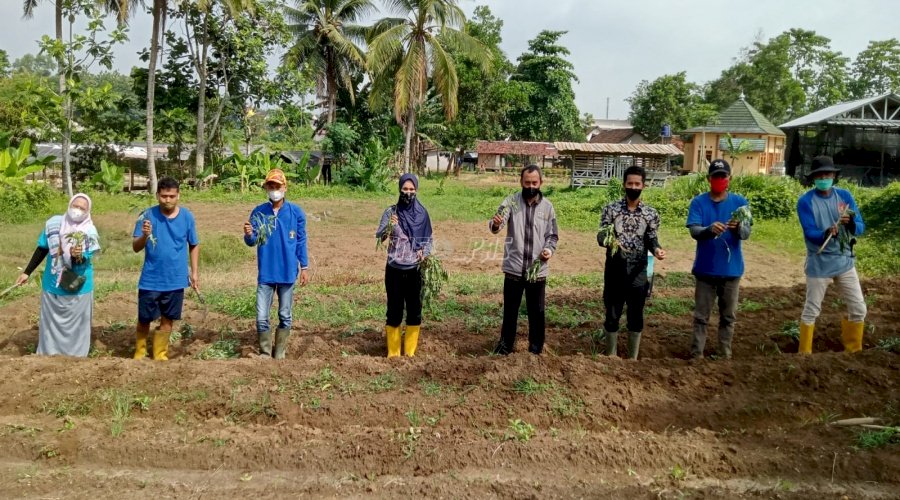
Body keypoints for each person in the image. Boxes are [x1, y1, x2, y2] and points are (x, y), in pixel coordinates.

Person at [796, 156, 866, 354]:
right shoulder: (805, 202)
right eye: (820, 175)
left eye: (827, 174)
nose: (824, 177)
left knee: (859, 309)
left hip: (845, 261)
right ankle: (804, 354)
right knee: (811, 310)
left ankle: (853, 350)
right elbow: (809, 231)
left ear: (834, 176)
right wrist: (825, 233)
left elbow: (860, 226)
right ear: (814, 178)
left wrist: (851, 224)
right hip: (819, 263)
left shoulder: (845, 197)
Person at [16, 193, 100, 356]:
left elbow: (85, 259)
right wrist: (27, 272)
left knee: (78, 325)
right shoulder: (54, 224)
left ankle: (77, 356)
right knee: (51, 323)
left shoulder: (89, 231)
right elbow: (42, 248)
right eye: (75, 206)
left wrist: (78, 256)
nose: (78, 210)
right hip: (53, 282)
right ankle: (48, 354)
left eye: (82, 208)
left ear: (88, 211)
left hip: (78, 285)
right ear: (69, 205)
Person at [489, 165, 559, 355]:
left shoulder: (548, 207)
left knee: (537, 313)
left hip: (537, 270)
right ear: (521, 182)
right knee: (510, 313)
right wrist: (495, 224)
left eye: (534, 182)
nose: (530, 186)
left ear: (540, 183)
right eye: (527, 182)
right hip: (514, 268)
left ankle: (536, 349)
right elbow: (497, 223)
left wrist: (548, 250)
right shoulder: (511, 202)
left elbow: (552, 236)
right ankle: (505, 347)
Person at [598, 166, 666, 359]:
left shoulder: (651, 214)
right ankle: (611, 355)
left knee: (636, 314)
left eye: (637, 184)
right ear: (624, 185)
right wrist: (609, 241)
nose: (633, 187)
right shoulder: (611, 210)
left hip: (639, 270)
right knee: (612, 313)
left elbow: (651, 239)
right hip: (615, 269)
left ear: (643, 186)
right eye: (630, 183)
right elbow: (602, 235)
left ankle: (632, 358)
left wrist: (657, 250)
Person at [686, 159, 751, 359]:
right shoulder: (698, 202)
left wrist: (738, 227)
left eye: (723, 177)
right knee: (701, 317)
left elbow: (746, 233)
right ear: (709, 179)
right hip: (705, 270)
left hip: (731, 271)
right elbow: (694, 231)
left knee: (728, 317)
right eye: (716, 177)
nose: (719, 180)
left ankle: (724, 355)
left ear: (729, 179)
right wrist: (709, 229)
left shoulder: (740, 203)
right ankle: (697, 355)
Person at [243, 168, 310, 359]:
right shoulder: (259, 212)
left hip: (288, 273)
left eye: (277, 186)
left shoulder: (296, 213)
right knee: (262, 317)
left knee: (285, 315)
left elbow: (301, 241)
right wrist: (249, 235)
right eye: (270, 186)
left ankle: (279, 353)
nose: (274, 190)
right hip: (266, 273)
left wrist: (304, 267)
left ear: (285, 188)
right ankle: (265, 353)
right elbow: (252, 240)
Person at [132, 177, 200, 361]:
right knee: (144, 318)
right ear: (157, 196)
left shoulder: (187, 217)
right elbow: (136, 247)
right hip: (151, 278)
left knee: (168, 318)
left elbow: (194, 244)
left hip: (175, 279)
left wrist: (194, 272)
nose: (167, 200)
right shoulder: (147, 216)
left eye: (171, 196)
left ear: (178, 195)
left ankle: (159, 354)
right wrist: (145, 235)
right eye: (163, 196)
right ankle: (139, 351)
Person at [376, 173, 432, 357]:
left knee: (415, 311)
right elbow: (381, 236)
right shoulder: (391, 212)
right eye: (405, 189)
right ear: (400, 189)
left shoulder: (422, 214)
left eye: (411, 189)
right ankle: (393, 354)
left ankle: (409, 353)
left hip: (415, 270)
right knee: (394, 311)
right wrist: (389, 227)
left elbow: (428, 240)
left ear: (416, 190)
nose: (408, 193)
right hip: (394, 270)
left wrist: (425, 253)